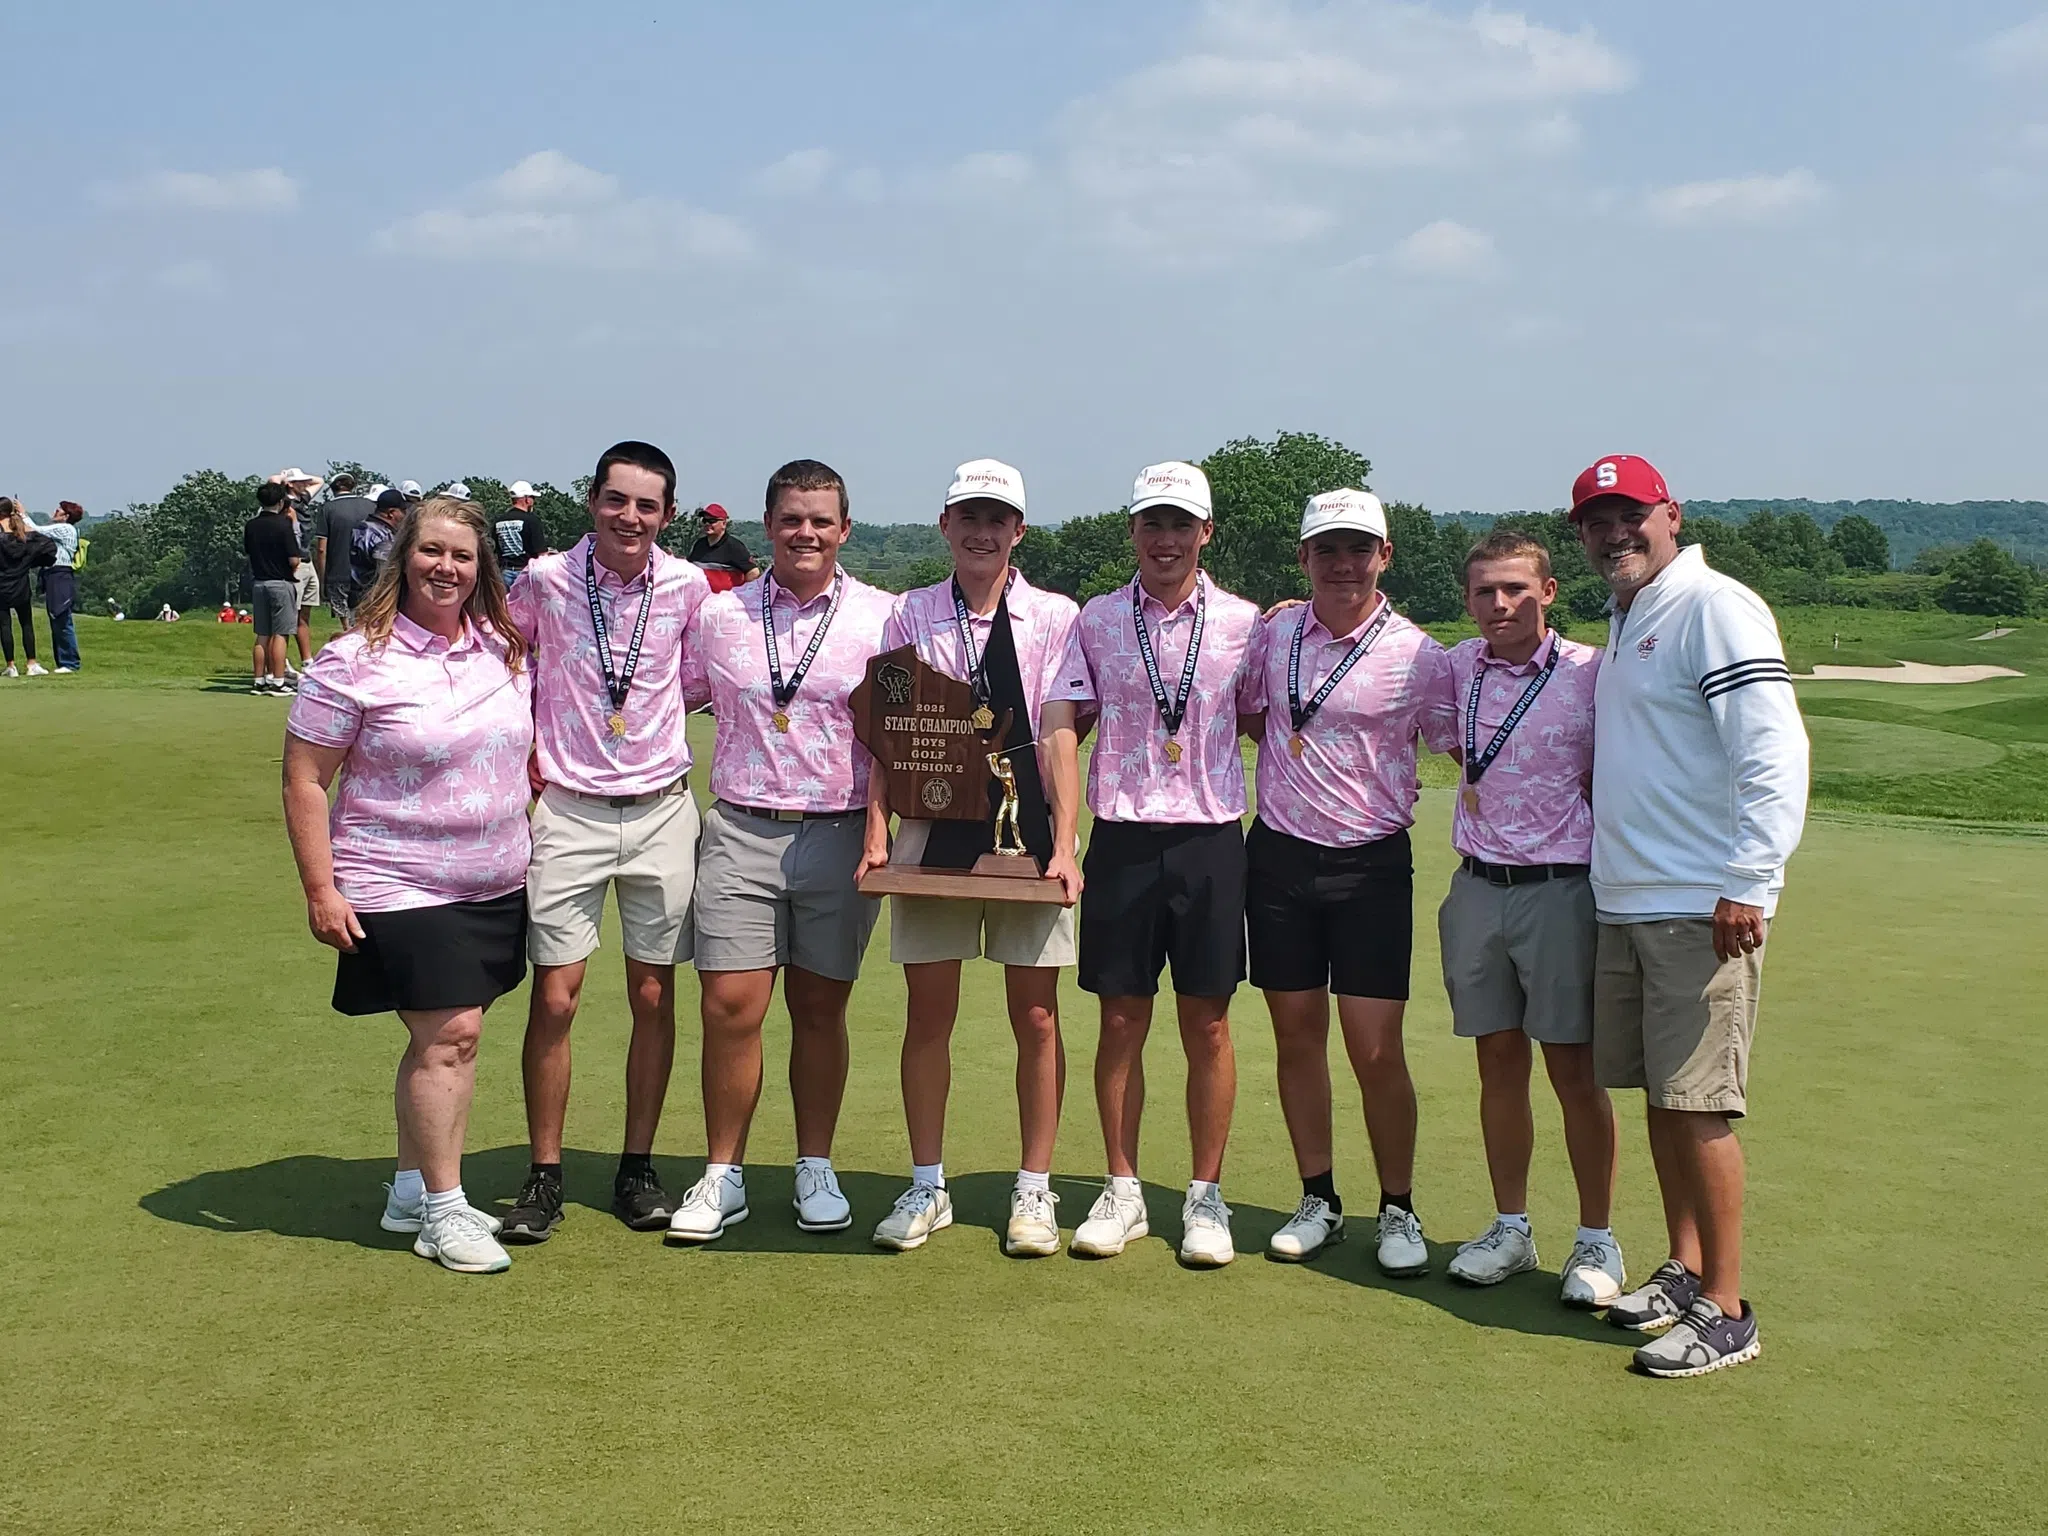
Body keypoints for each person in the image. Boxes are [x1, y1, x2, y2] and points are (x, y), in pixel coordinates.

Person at [1570, 454, 1808, 1378]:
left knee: (1701, 1106)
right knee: (1665, 1099)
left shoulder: (1714, 605)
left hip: (1700, 904)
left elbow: (1773, 750)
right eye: (1594, 520)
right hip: (1628, 899)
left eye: (1629, 515)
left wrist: (1750, 877)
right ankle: (1686, 1267)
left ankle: (1729, 1307)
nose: (1612, 533)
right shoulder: (1631, 614)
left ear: (1670, 514)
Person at [281, 496, 534, 1275]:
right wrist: (321, 889)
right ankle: (443, 1211)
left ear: (481, 567)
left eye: (462, 556)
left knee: (442, 1038)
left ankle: (408, 1187)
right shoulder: (354, 660)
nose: (446, 568)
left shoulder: (502, 647)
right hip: (396, 879)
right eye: (431, 551)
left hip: (493, 879)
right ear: (402, 558)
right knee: (452, 1035)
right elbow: (304, 779)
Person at [854, 459, 1089, 1258]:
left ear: (1018, 530)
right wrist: (876, 830)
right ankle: (927, 1185)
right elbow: (889, 730)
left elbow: (1059, 729)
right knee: (930, 1015)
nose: (983, 531)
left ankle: (1034, 1189)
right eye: (969, 516)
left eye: (999, 518)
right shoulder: (909, 613)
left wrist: (1065, 838)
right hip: (931, 836)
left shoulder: (1057, 615)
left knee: (1036, 1016)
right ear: (946, 524)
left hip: (1028, 842)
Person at [667, 459, 896, 1242]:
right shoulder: (719, 615)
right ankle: (723, 1173)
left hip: (838, 832)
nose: (806, 532)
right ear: (769, 526)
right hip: (740, 826)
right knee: (731, 1007)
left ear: (844, 529)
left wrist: (878, 832)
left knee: (820, 1009)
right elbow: (674, 694)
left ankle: (814, 1166)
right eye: (792, 518)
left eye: (821, 520)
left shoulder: (882, 616)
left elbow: (899, 736)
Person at [497, 441, 712, 1243]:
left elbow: (693, 680)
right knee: (556, 996)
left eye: (648, 506)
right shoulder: (547, 579)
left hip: (660, 808)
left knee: (654, 994)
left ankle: (637, 1168)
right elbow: (509, 657)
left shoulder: (688, 585)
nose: (631, 517)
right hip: (570, 808)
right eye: (617, 500)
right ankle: (545, 1174)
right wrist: (521, 750)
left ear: (667, 514)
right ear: (592, 500)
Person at [1240, 489, 1455, 1273]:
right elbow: (1252, 717)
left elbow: (1463, 749)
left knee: (1375, 1050)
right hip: (1281, 859)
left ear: (1384, 557)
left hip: (1370, 867)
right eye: (1327, 548)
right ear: (1303, 558)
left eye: (1359, 548)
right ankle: (1318, 1198)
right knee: (1297, 1039)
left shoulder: (1421, 654)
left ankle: (1397, 1210)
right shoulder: (1270, 637)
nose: (1343, 563)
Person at [1067, 461, 1262, 1267]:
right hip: (1120, 836)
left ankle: (1205, 1197)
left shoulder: (1253, 623)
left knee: (1209, 1024)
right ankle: (1122, 1188)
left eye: (1182, 525)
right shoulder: (1098, 619)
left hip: (1212, 838)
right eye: (1153, 524)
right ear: (1133, 532)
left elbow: (1264, 714)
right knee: (1120, 1020)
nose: (1167, 539)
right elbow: (1061, 723)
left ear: (1205, 533)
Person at [1432, 530, 1625, 1307]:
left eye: (1515, 588)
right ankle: (1511, 1227)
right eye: (1485, 591)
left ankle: (1596, 1239)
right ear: (1469, 600)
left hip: (1562, 888)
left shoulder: (1591, 672)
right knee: (1497, 1065)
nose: (1500, 604)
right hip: (1477, 887)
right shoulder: (1451, 667)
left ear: (1548, 591)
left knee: (1574, 1070)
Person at [243, 481, 300, 695]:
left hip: (259, 582)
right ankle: (278, 681)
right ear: (280, 501)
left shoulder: (251, 525)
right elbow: (294, 559)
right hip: (280, 582)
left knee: (262, 634)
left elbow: (249, 551)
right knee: (281, 633)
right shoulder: (283, 524)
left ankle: (259, 679)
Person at [0, 499, 56, 677]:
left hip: (1, 585)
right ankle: (31, 663)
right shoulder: (23, 536)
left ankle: (11, 665)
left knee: (4, 625)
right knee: (26, 624)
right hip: (21, 585)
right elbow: (47, 546)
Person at [312, 473, 373, 631]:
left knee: (345, 619)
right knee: (364, 616)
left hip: (338, 572)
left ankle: (348, 634)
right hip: (366, 571)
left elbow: (321, 548)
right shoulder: (370, 506)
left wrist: (322, 577)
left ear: (332, 488)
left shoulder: (328, 509)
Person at [31, 500, 84, 672]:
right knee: (56, 618)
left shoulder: (66, 528)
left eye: (59, 510)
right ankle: (63, 662)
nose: (56, 511)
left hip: (60, 574)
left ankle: (70, 663)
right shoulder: (61, 528)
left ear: (66, 516)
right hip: (53, 574)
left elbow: (37, 530)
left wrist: (22, 513)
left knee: (62, 618)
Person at [686, 503, 757, 592]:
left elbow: (753, 572)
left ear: (724, 523)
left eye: (712, 521)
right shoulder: (699, 545)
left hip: (726, 603)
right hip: (701, 600)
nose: (707, 524)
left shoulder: (734, 547)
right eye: (704, 521)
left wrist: (742, 593)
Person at [350, 489, 407, 600]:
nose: (405, 515)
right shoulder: (384, 536)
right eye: (403, 511)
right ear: (391, 513)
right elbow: (386, 572)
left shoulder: (359, 527)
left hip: (354, 592)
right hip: (374, 598)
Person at [493, 481, 550, 587]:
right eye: (532, 498)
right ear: (527, 499)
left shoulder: (499, 521)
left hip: (504, 572)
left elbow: (495, 549)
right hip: (525, 571)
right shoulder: (532, 520)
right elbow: (541, 554)